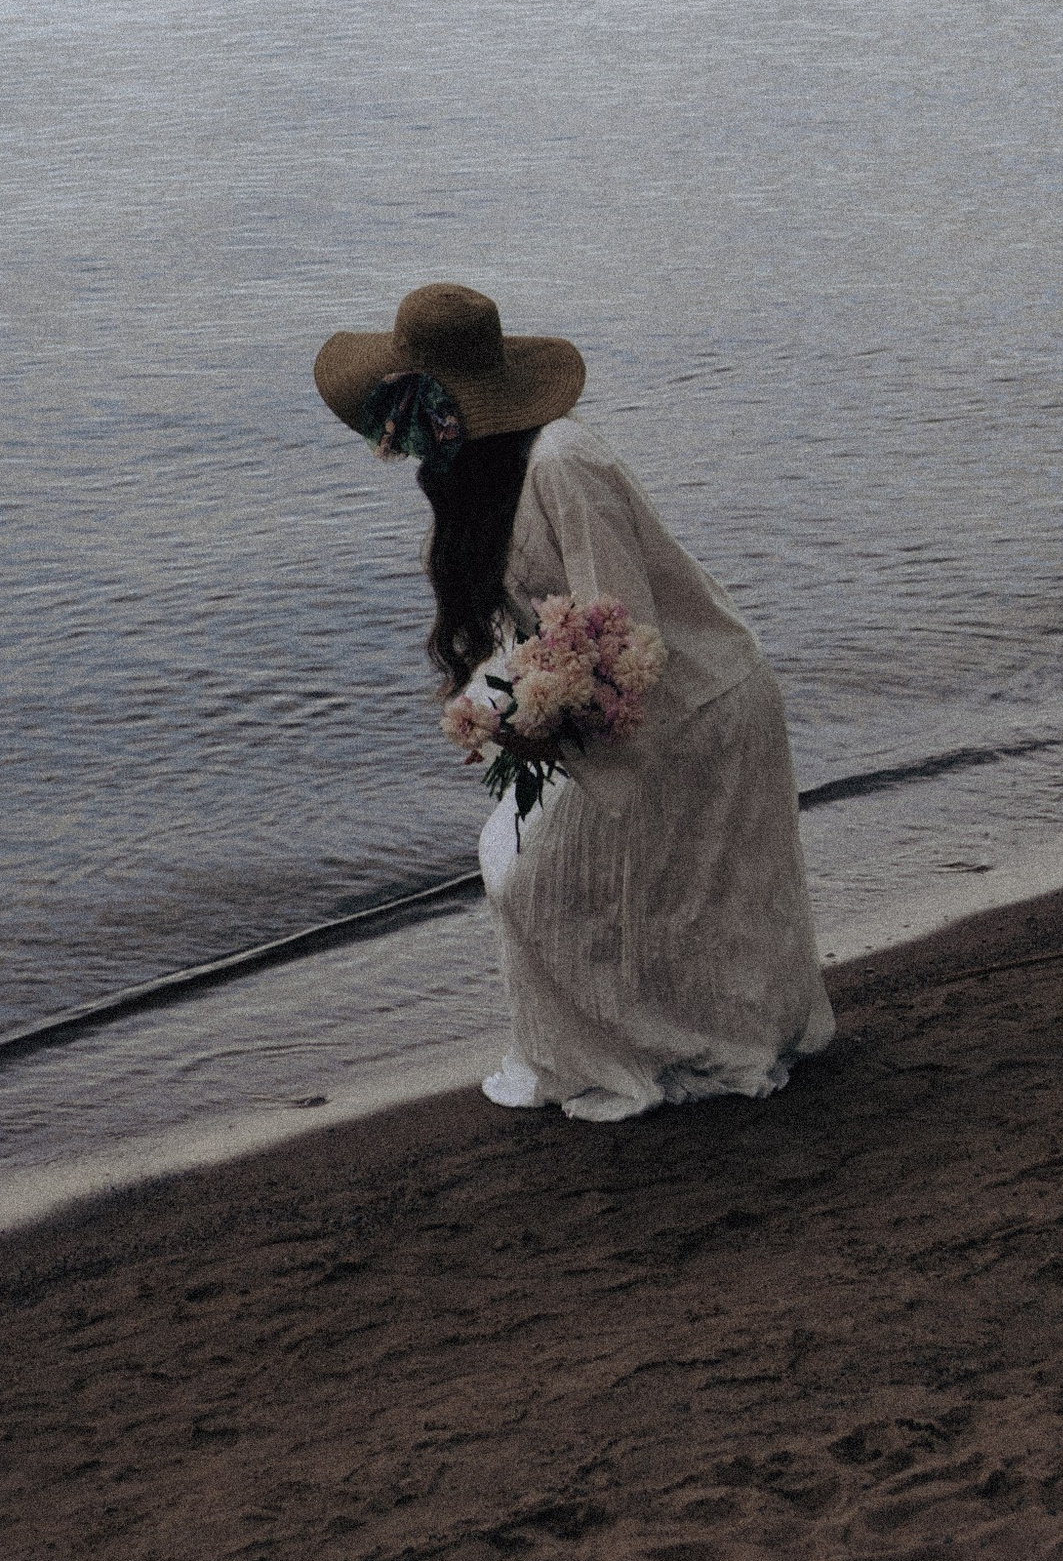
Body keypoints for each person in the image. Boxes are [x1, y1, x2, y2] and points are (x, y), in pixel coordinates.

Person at [316, 279, 835, 1122]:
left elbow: (618, 625)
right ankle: (647, 1045)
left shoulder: (562, 461)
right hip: (630, 706)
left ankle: (685, 1048)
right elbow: (538, 622)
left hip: (700, 708)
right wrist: (498, 708)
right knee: (609, 887)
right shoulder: (487, 473)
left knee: (560, 881)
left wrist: (535, 713)